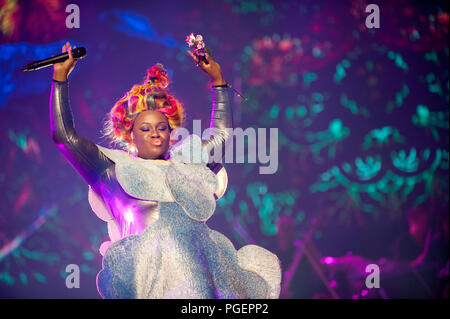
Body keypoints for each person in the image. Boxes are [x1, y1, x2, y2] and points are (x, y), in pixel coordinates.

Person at [50, 41, 281, 298]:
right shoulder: (112, 171)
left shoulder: (188, 165)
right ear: (130, 135)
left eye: (162, 128)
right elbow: (64, 137)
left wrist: (218, 80)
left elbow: (223, 135)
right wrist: (60, 78)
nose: (156, 135)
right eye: (145, 129)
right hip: (149, 285)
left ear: (172, 133)